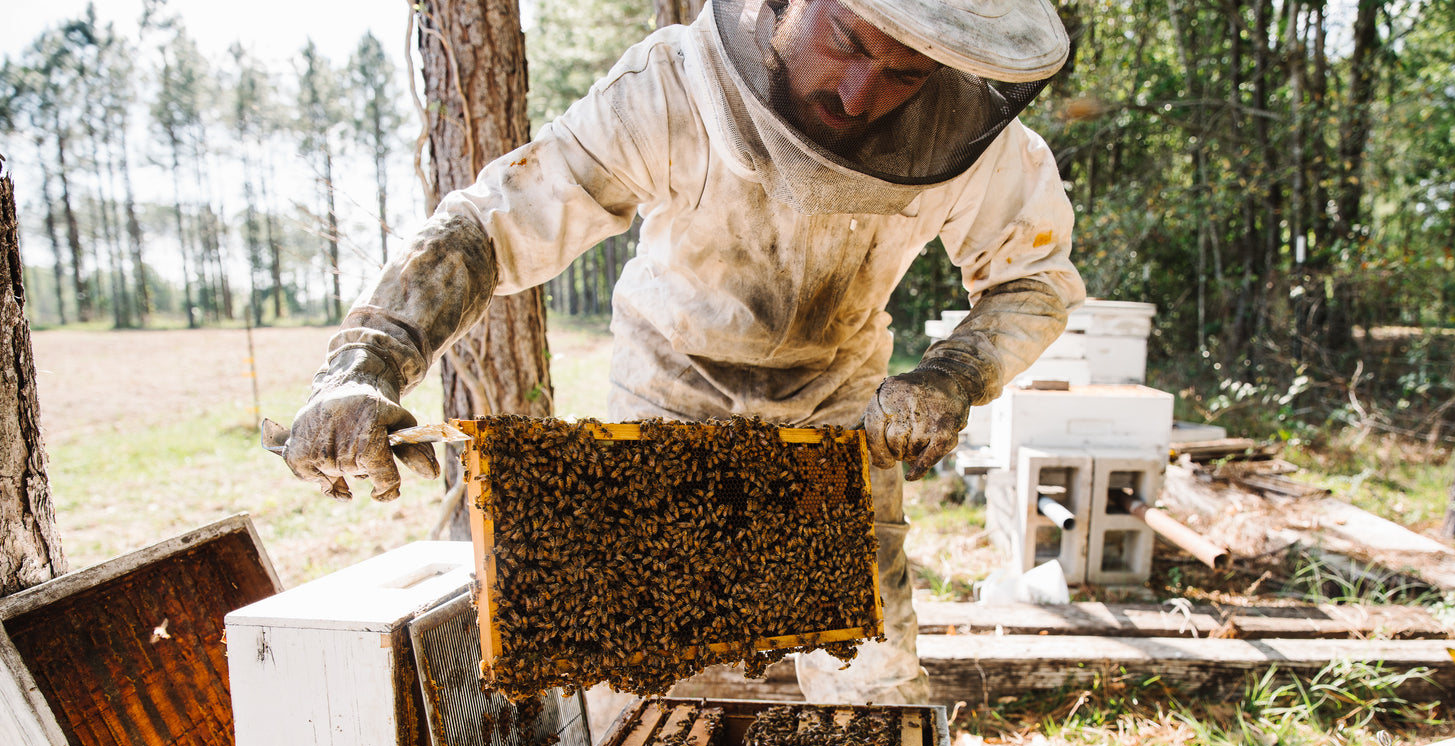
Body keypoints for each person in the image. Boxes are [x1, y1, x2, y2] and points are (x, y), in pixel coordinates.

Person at [282, 0, 1086, 704]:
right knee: (652, 694)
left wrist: (952, 376)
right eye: (847, 41)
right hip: (666, 410)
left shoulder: (966, 133)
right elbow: (492, 222)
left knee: (875, 695)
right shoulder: (669, 86)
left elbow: (1035, 277)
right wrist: (368, 358)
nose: (859, 93)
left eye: (904, 74)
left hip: (837, 420)